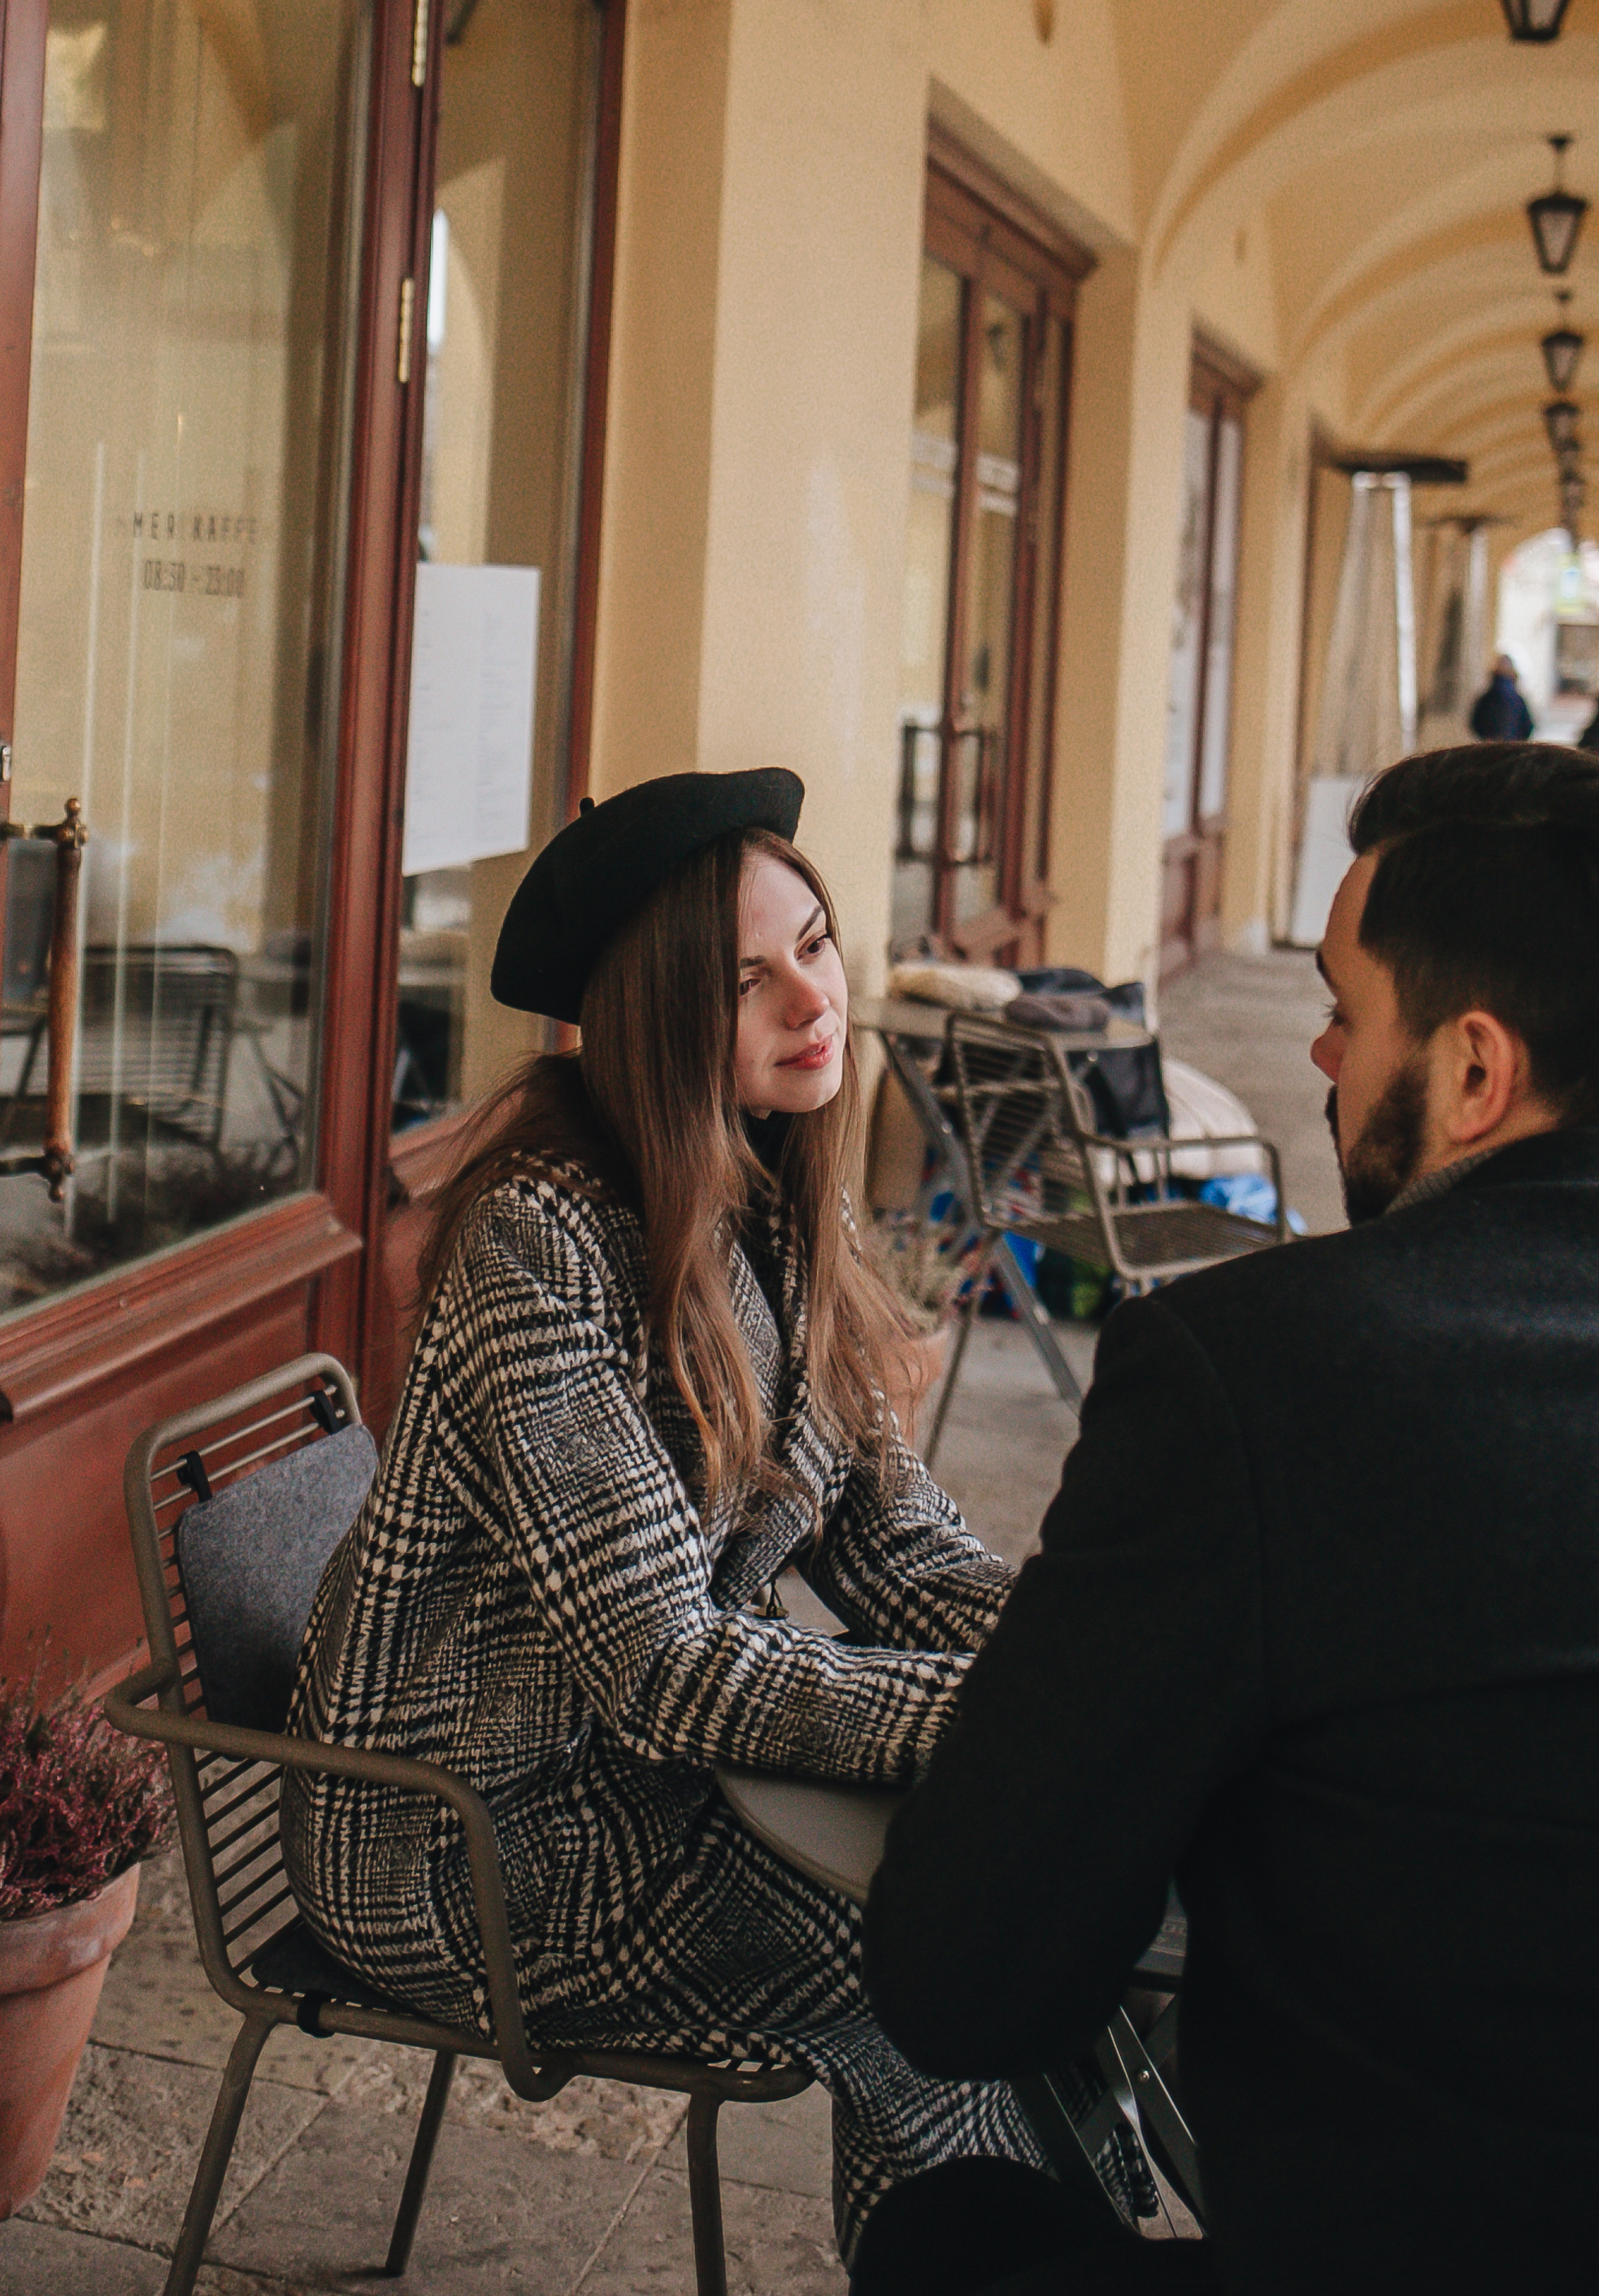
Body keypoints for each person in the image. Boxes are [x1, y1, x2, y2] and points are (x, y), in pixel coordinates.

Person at [284, 769, 1050, 2275]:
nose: (810, 999)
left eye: (815, 946)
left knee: (1045, 1902)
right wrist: (1021, 1713)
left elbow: (897, 1543)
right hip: (464, 1838)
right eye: (744, 979)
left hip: (638, 1788)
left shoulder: (773, 1186)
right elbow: (671, 1670)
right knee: (961, 1948)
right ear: (649, 1015)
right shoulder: (542, 1242)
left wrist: (1108, 1650)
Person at [860, 740, 1599, 2292]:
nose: (1322, 1058)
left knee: (944, 2232)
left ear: (1476, 1069)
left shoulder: (1270, 1367)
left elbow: (971, 1976)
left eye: (1344, 1009)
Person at [1467, 649, 1533, 740]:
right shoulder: (1517, 700)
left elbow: (1476, 722)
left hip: (1494, 745)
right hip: (1510, 745)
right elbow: (1527, 726)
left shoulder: (1487, 698)